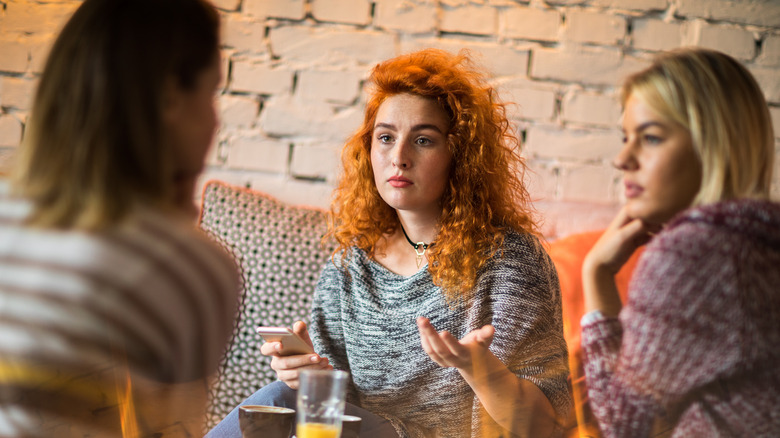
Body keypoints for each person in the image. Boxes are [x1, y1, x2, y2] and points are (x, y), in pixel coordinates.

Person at [207, 48, 571, 438]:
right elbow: (333, 414)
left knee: (282, 400)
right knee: (283, 396)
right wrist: (312, 378)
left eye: (424, 141)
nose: (398, 157)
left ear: (460, 155)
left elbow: (547, 426)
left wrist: (481, 370)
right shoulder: (349, 267)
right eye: (385, 138)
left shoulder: (509, 262)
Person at [0, 0, 241, 436]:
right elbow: (172, 432)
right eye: (211, 94)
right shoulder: (190, 267)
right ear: (170, 99)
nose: (214, 121)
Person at [580, 47, 780, 437]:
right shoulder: (761, 242)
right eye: (626, 137)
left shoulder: (695, 253)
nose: (622, 158)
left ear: (713, 144)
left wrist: (597, 272)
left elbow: (624, 427)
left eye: (650, 138)